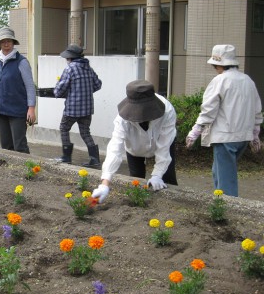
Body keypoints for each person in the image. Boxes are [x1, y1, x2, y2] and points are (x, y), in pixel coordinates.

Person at [186, 44, 262, 197]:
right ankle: (219, 201)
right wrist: (255, 134)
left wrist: (195, 132)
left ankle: (226, 209)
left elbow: (208, 110)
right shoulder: (247, 80)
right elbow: (257, 110)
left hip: (225, 137)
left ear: (217, 64)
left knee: (226, 179)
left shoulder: (220, 81)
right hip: (243, 136)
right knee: (219, 171)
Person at [92, 79, 178, 203]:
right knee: (136, 180)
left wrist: (157, 175)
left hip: (160, 142)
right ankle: (139, 202)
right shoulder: (122, 118)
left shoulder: (167, 111)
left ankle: (171, 205)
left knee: (167, 179)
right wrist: (104, 184)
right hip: (134, 147)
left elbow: (164, 146)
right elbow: (115, 149)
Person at [0, 27, 36, 153]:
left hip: (17, 110)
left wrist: (31, 108)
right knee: (5, 145)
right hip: (1, 109)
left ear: (13, 43)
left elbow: (30, 86)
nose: (6, 44)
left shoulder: (22, 62)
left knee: (20, 146)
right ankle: (13, 171)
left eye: (9, 41)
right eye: (3, 41)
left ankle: (27, 170)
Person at [54, 44, 102, 167]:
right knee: (85, 132)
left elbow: (60, 89)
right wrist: (85, 92)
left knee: (64, 128)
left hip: (72, 109)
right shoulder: (88, 68)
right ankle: (94, 159)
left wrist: (57, 92)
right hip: (87, 108)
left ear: (70, 58)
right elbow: (98, 85)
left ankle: (66, 157)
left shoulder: (70, 69)